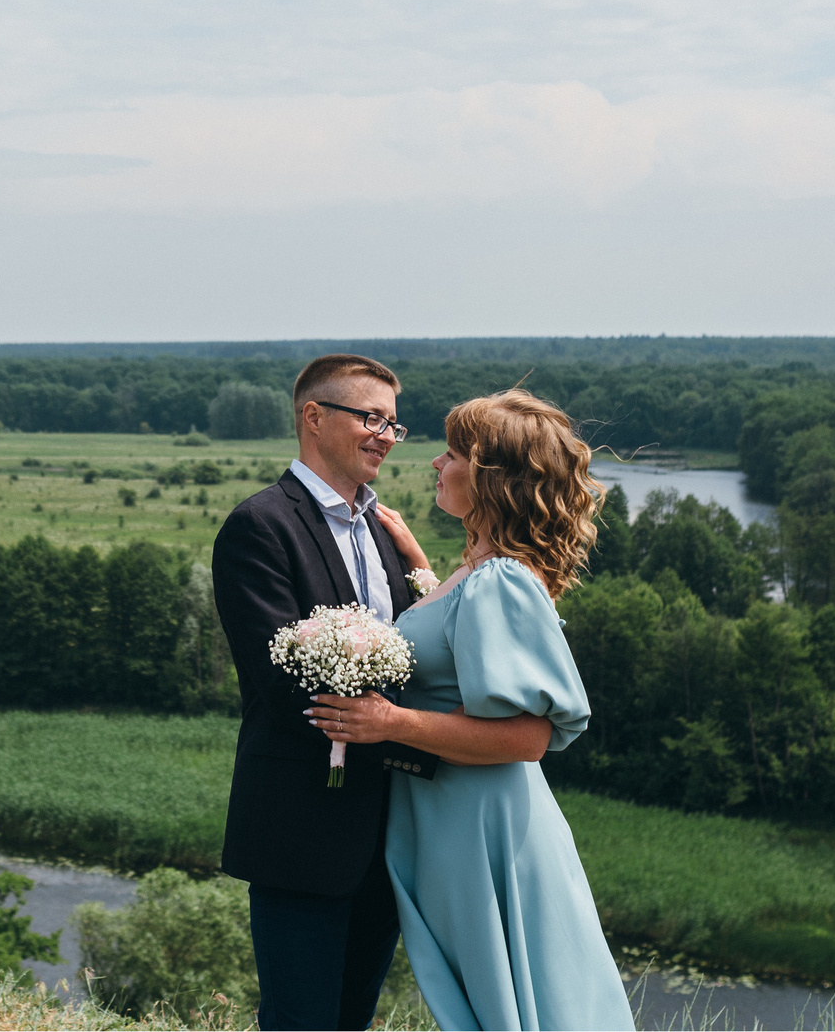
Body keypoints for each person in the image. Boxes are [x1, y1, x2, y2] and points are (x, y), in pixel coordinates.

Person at [307, 388, 637, 1032]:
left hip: (483, 825)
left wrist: (391, 722)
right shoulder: (479, 573)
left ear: (493, 479)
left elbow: (528, 736)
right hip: (453, 815)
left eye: (454, 454)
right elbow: (458, 647)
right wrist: (420, 571)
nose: (437, 463)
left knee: (512, 1000)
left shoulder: (501, 580)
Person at [212, 353, 436, 1031]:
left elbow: (415, 654)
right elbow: (282, 682)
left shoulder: (382, 528)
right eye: (371, 418)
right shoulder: (260, 525)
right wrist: (396, 720)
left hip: (388, 834)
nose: (386, 436)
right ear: (314, 416)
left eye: (393, 424)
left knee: (351, 1020)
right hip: (301, 829)